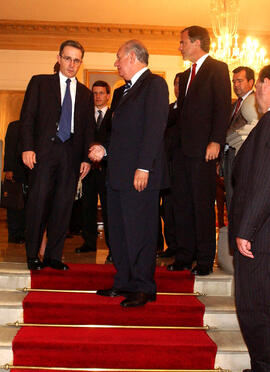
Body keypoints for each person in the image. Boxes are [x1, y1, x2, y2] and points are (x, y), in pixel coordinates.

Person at [89, 39, 169, 307]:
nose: (116, 63)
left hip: (140, 175)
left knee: (141, 232)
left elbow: (154, 130)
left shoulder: (155, 85)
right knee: (120, 232)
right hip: (118, 175)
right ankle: (123, 282)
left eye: (118, 58)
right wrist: (104, 149)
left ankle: (144, 288)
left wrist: (143, 167)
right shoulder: (122, 91)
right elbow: (120, 136)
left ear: (133, 58)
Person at [20, 39, 94, 270]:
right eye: (67, 58)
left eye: (76, 60)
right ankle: (33, 255)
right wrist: (27, 147)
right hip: (44, 152)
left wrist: (86, 158)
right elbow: (28, 118)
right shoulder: (40, 83)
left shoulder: (84, 93)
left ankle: (54, 256)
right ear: (59, 58)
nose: (71, 64)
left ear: (81, 63)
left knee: (63, 208)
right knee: (38, 204)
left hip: (71, 155)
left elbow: (88, 128)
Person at [167, 25, 231, 275]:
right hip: (182, 152)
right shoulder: (184, 76)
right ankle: (184, 257)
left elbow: (222, 107)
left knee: (201, 205)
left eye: (183, 42)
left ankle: (204, 260)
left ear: (196, 43)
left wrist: (216, 140)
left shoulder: (218, 69)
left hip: (204, 150)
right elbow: (180, 116)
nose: (180, 47)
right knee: (181, 204)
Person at [229, 64, 270, 372]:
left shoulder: (269, 123)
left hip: (260, 237)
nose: (257, 90)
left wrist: (246, 229)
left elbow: (264, 180)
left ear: (266, 85)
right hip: (262, 232)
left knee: (254, 309)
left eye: (259, 85)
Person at [75, 80, 112, 260]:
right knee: (87, 207)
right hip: (88, 170)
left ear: (108, 95)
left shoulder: (114, 115)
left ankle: (113, 247)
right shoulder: (84, 116)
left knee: (109, 209)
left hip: (108, 170)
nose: (97, 96)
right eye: (95, 93)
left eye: (101, 93)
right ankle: (89, 243)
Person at [223, 66, 259, 210]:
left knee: (242, 200)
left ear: (251, 82)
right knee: (231, 199)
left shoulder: (256, 102)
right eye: (234, 82)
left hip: (244, 155)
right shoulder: (233, 105)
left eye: (240, 81)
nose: (236, 85)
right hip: (229, 156)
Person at [158, 72, 181, 258]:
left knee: (181, 209)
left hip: (183, 167)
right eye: (176, 84)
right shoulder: (166, 109)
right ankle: (171, 245)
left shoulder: (193, 109)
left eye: (181, 84)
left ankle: (185, 247)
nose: (178, 88)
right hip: (166, 167)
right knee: (167, 209)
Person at [3, 120, 27, 244]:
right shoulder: (14, 126)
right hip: (16, 171)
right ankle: (15, 233)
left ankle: (25, 232)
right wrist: (8, 169)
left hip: (32, 171)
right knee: (14, 203)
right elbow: (9, 149)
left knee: (28, 203)